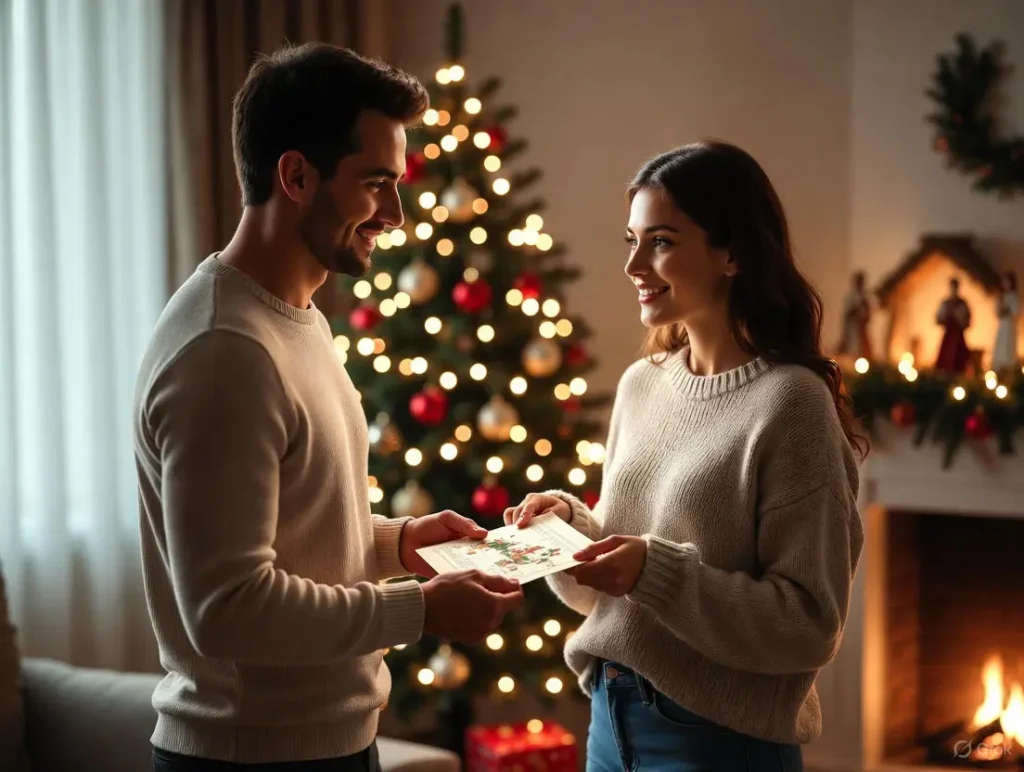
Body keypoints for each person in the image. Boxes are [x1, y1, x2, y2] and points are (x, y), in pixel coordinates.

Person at [133, 43, 524, 772]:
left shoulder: (295, 319)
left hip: (326, 747)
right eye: (377, 184)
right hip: (252, 758)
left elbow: (290, 526)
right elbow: (228, 609)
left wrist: (396, 542)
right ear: (296, 174)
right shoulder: (225, 351)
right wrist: (421, 608)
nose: (398, 214)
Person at [507, 140, 866, 772]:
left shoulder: (792, 404)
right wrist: (569, 532)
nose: (634, 265)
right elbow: (617, 592)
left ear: (732, 253)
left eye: (662, 241)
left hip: (714, 743)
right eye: (632, 240)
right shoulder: (641, 385)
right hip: (608, 724)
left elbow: (810, 623)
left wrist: (653, 572)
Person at [934, 276, 972, 374]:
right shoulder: (946, 303)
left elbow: (966, 321)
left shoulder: (962, 303)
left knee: (958, 359)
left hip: (958, 336)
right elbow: (939, 318)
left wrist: (958, 316)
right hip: (948, 335)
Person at [991, 270, 1019, 375]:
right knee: (1000, 347)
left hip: (1009, 326)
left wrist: (1007, 310)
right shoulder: (1002, 297)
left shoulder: (1013, 297)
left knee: (1008, 348)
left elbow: (1015, 311)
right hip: (1002, 326)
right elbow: (998, 312)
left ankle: (1008, 369)